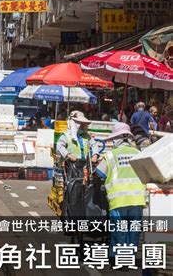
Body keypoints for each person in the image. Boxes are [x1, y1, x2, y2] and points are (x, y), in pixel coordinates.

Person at [95, 123, 146, 264]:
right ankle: (130, 258)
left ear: (116, 138)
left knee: (120, 229)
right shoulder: (139, 154)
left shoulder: (111, 155)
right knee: (133, 230)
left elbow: (99, 173)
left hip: (119, 200)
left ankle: (119, 259)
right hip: (137, 199)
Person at [56, 111, 100, 217]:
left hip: (84, 167)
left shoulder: (86, 137)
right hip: (71, 168)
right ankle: (72, 215)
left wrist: (95, 155)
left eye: (84, 124)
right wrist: (68, 155)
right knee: (73, 191)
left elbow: (94, 146)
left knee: (86, 190)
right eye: (80, 123)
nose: (83, 126)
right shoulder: (66, 136)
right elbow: (59, 146)